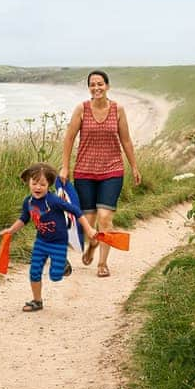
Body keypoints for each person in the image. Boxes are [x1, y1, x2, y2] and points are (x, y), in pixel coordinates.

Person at [60, 70, 140, 278]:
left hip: (112, 170)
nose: (96, 88)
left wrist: (134, 166)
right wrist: (65, 167)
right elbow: (68, 139)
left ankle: (102, 264)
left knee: (104, 219)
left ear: (108, 86)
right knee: (88, 220)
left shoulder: (118, 110)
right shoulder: (82, 109)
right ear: (89, 88)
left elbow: (127, 141)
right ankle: (93, 244)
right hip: (84, 172)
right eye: (92, 84)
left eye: (100, 84)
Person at [0, 162, 98, 312]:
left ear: (49, 185)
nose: (38, 187)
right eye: (34, 183)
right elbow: (23, 219)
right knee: (34, 270)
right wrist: (11, 230)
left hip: (58, 242)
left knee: (55, 275)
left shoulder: (53, 201)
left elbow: (76, 212)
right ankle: (37, 301)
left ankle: (63, 265)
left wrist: (89, 229)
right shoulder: (28, 202)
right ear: (28, 182)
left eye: (42, 184)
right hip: (41, 241)